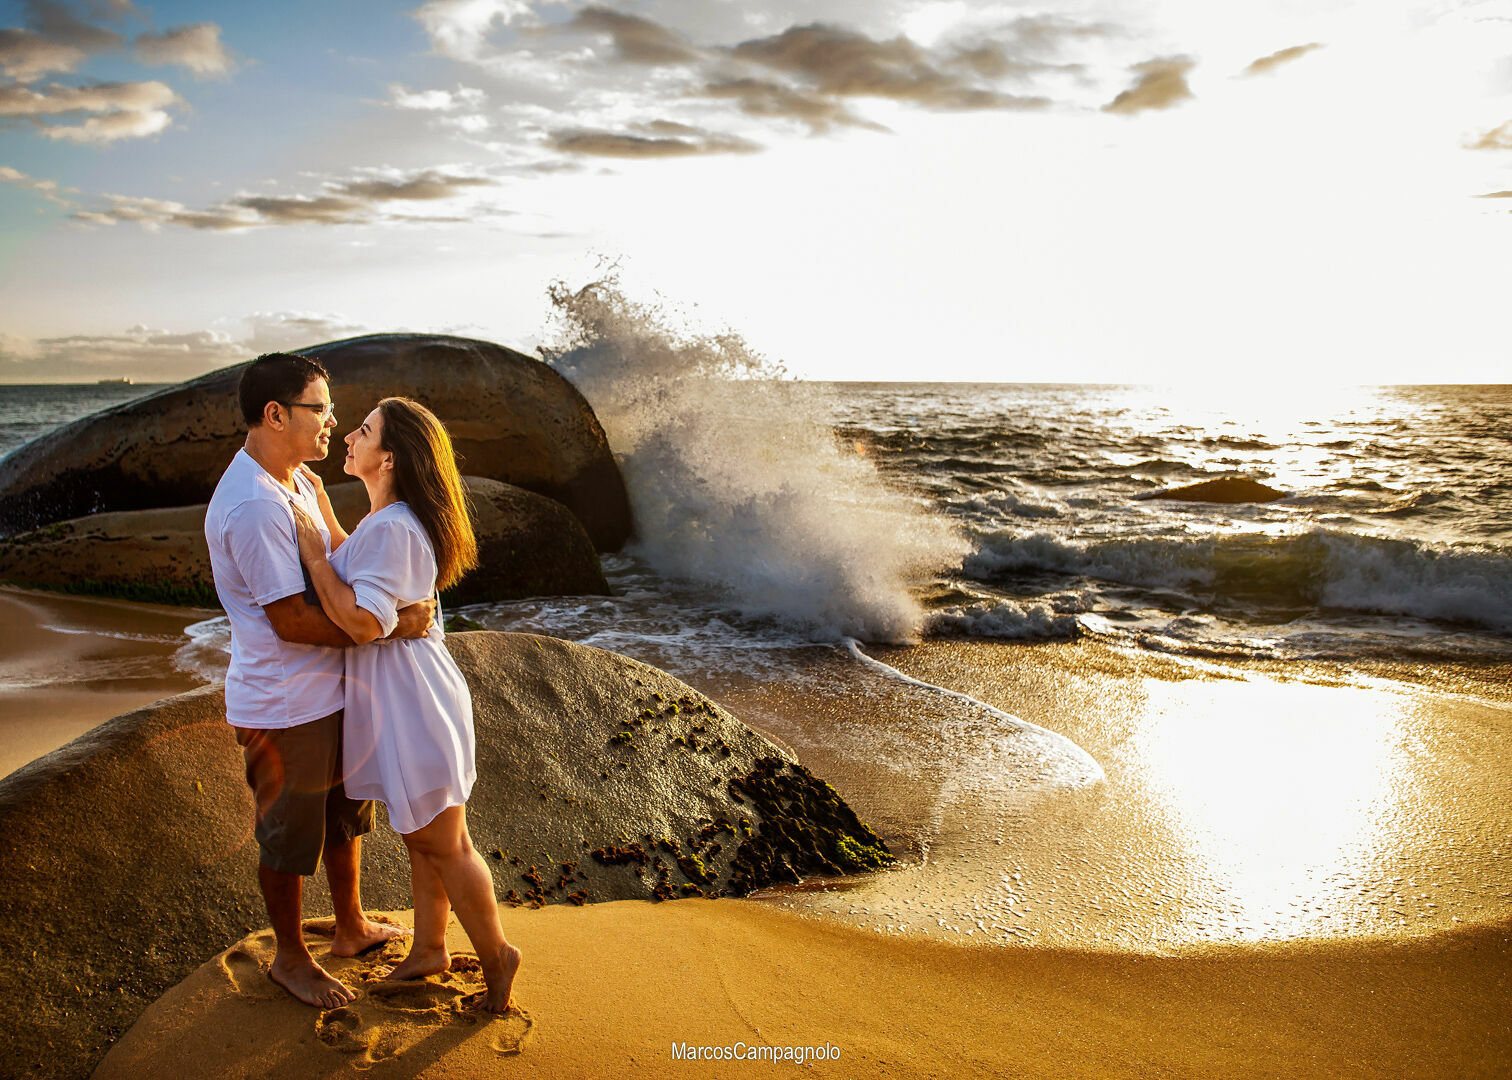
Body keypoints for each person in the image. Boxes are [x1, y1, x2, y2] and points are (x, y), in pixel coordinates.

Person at [205, 353, 429, 1009]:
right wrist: (385, 627)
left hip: (332, 690)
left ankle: (352, 926)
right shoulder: (251, 506)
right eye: (319, 409)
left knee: (342, 815)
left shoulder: (298, 479)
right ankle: (291, 957)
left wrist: (390, 574)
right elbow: (291, 622)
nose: (332, 421)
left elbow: (339, 550)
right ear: (276, 415)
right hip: (283, 704)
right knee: (287, 833)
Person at [290, 395, 523, 1014]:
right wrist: (321, 515)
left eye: (363, 431)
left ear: (387, 457)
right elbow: (361, 568)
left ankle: (498, 958)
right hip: (407, 696)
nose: (350, 437)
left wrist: (313, 552)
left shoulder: (394, 527)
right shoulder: (386, 522)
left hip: (411, 703)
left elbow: (361, 619)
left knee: (445, 844)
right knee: (423, 838)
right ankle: (429, 951)